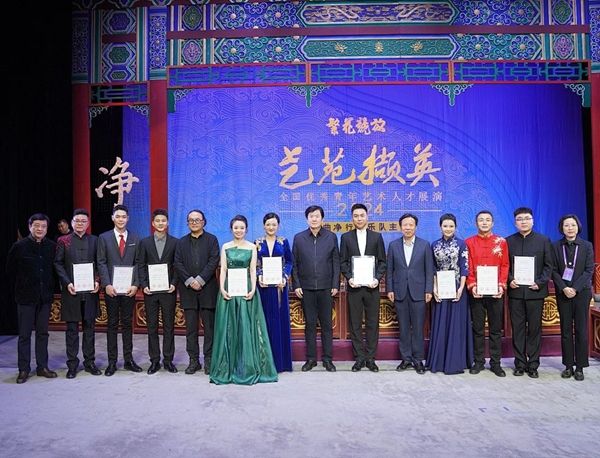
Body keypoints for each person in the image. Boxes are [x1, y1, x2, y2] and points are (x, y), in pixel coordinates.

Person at [210, 215, 278, 385]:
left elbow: (253, 270)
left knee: (247, 326)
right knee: (228, 326)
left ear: (246, 229)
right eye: (236, 228)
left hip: (247, 288)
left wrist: (253, 288)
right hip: (229, 289)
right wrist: (222, 288)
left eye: (242, 228)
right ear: (231, 229)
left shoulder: (252, 247)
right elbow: (223, 270)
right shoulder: (226, 246)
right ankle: (228, 368)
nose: (239, 230)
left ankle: (247, 366)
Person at [6, 213, 58, 384]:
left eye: (43, 226)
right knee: (24, 335)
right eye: (36, 226)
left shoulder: (52, 246)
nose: (40, 229)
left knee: (43, 333)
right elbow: (10, 270)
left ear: (47, 228)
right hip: (25, 296)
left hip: (45, 296)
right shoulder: (19, 246)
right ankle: (23, 369)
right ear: (30, 227)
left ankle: (42, 367)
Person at [54, 209, 102, 378]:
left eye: (83, 221)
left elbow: (100, 263)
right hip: (71, 291)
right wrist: (67, 282)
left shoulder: (95, 240)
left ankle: (90, 362)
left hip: (90, 292)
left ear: (88, 223)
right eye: (77, 221)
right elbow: (58, 263)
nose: (80, 223)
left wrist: (97, 280)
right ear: (72, 223)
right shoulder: (63, 241)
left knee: (90, 328)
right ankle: (72, 365)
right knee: (71, 329)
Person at [506, 207, 553, 378]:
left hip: (536, 293)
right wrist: (510, 279)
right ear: (515, 222)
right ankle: (519, 364)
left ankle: (533, 365)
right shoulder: (508, 241)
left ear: (532, 221)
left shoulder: (544, 240)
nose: (523, 222)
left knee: (534, 330)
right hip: (516, 292)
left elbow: (549, 266)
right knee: (517, 330)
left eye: (526, 218)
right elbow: (504, 265)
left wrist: (540, 282)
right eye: (519, 219)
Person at [292, 205, 340, 372]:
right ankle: (311, 359)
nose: (314, 219)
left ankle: (327, 359)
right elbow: (295, 264)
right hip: (306, 288)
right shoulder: (299, 238)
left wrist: (335, 284)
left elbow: (336, 262)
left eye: (317, 216)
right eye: (311, 216)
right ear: (307, 219)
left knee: (327, 325)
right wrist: (297, 284)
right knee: (310, 325)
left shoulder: (331, 237)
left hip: (326, 287)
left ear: (322, 219)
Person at [340, 203, 387, 372]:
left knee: (373, 323)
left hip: (372, 287)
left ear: (367, 217)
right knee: (355, 323)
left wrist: (377, 278)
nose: (359, 219)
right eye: (356, 216)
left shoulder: (376, 237)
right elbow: (343, 262)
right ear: (352, 218)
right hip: (354, 287)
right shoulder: (346, 237)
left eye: (362, 215)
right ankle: (359, 358)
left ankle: (370, 358)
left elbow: (382, 262)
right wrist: (349, 278)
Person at [386, 213, 434, 374]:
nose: (407, 227)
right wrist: (390, 289)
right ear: (400, 227)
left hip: (419, 292)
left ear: (416, 227)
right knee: (404, 328)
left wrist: (428, 290)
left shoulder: (424, 245)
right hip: (399, 291)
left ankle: (418, 360)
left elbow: (429, 270)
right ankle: (406, 359)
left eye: (410, 225)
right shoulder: (393, 245)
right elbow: (389, 270)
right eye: (405, 225)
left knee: (418, 328)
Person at [97, 204, 142, 376]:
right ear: (112, 218)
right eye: (118, 216)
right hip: (112, 289)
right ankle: (112, 362)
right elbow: (101, 262)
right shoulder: (104, 238)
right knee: (112, 324)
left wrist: (135, 284)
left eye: (124, 217)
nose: (121, 219)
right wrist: (106, 284)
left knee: (127, 324)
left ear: (128, 219)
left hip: (129, 289)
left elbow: (138, 263)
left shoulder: (135, 239)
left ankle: (128, 360)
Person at [174, 209, 220, 375]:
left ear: (203, 222)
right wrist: (190, 281)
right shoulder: (181, 242)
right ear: (187, 223)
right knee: (191, 329)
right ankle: (193, 360)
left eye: (197, 220)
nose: (194, 223)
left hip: (208, 289)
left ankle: (209, 359)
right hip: (188, 291)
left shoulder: (212, 240)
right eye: (191, 220)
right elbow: (178, 263)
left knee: (209, 328)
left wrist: (200, 280)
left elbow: (214, 261)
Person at [465, 210, 509, 377]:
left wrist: (501, 285)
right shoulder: (469, 242)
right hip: (476, 292)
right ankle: (478, 361)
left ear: (492, 223)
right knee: (477, 328)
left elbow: (505, 265)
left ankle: (496, 363)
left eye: (488, 220)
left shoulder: (501, 242)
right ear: (475, 223)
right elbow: (468, 266)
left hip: (496, 292)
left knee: (495, 329)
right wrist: (472, 286)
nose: (484, 223)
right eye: (481, 220)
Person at [428, 213, 472, 375]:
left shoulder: (461, 244)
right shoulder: (434, 245)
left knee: (456, 323)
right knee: (441, 323)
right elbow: (433, 268)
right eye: (445, 226)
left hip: (457, 288)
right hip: (441, 287)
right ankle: (439, 361)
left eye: (451, 226)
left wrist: (461, 288)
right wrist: (434, 288)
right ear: (440, 227)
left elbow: (464, 267)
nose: (448, 229)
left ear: (455, 227)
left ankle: (456, 361)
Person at [551, 214, 594, 381]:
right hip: (563, 293)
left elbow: (589, 270)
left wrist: (575, 288)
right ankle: (568, 366)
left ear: (578, 227)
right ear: (561, 228)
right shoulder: (556, 246)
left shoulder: (586, 246)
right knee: (566, 330)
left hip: (581, 293)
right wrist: (564, 288)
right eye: (566, 225)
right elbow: (553, 270)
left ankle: (580, 367)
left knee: (581, 330)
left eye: (573, 225)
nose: (570, 228)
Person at [138, 209, 179, 374]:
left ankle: (168, 360)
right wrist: (144, 285)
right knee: (152, 326)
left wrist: (174, 283)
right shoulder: (145, 242)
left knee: (169, 326)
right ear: (153, 223)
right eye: (158, 221)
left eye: (163, 221)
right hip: (151, 291)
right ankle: (154, 360)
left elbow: (177, 265)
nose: (160, 223)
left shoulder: (175, 242)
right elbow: (141, 265)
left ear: (167, 223)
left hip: (168, 290)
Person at [255, 212, 294, 373]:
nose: (271, 227)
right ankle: (263, 362)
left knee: (279, 322)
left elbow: (289, 262)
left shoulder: (283, 242)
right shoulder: (258, 242)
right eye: (268, 224)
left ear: (278, 226)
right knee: (264, 321)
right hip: (263, 287)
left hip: (279, 287)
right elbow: (254, 264)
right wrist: (259, 276)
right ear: (264, 226)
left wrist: (284, 277)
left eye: (274, 224)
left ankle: (280, 363)